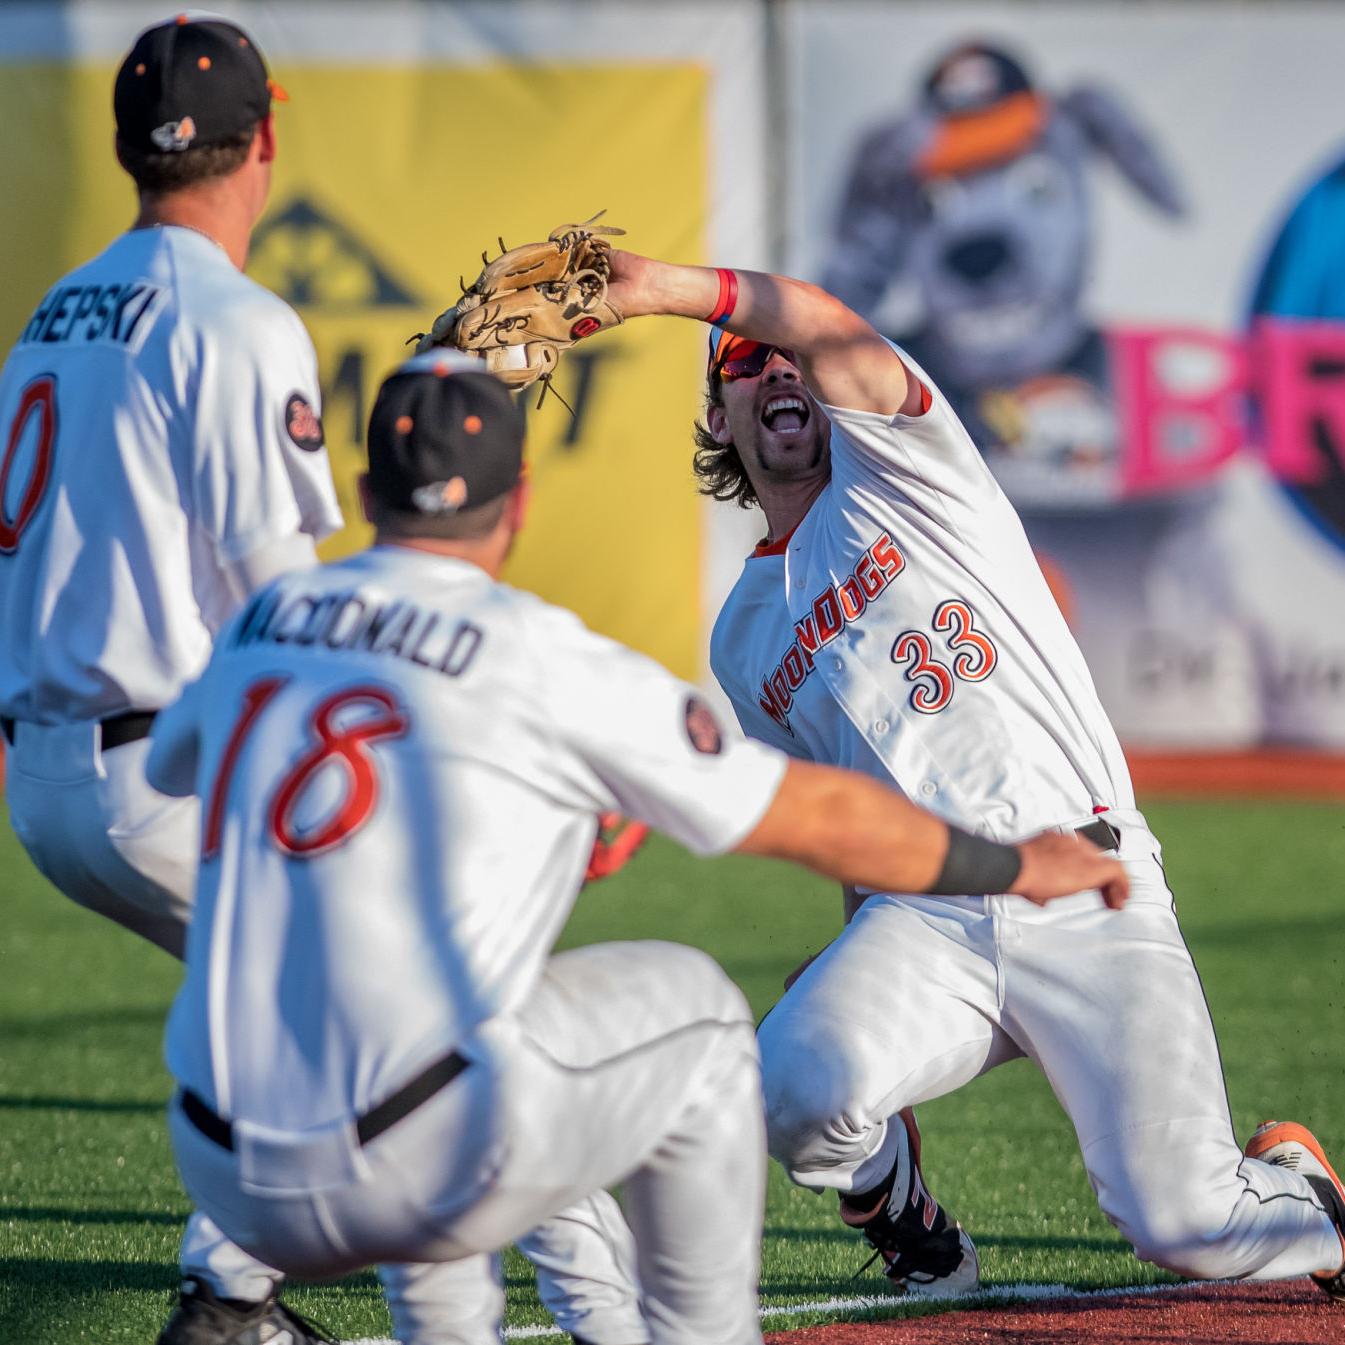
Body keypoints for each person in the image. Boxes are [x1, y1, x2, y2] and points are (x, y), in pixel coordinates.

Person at [144, 351, 1126, 1345]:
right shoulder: (537, 651)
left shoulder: (268, 618)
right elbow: (806, 814)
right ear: (519, 502)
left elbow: (178, 767)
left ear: (363, 493)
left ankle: (256, 1312)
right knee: (691, 1016)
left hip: (221, 1163)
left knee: (468, 1032)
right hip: (421, 1141)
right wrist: (1012, 865)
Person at [0, 17, 646, 1345]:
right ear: (270, 137)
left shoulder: (47, 319)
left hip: (56, 777)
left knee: (328, 1022)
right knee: (470, 1016)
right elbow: (285, 612)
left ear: (129, 150)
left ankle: (229, 1298)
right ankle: (613, 1326)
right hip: (175, 772)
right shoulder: (234, 323)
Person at [593, 249, 1345, 1300]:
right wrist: (854, 941)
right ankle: (915, 1232)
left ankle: (1304, 1197)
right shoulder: (743, 639)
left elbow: (826, 324)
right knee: (794, 1089)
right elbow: (850, 808)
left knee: (1183, 1222)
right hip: (929, 917)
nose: (780, 374)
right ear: (717, 418)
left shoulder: (907, 465)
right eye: (747, 364)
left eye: (791, 358)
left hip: (1089, 887)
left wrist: (669, 291)